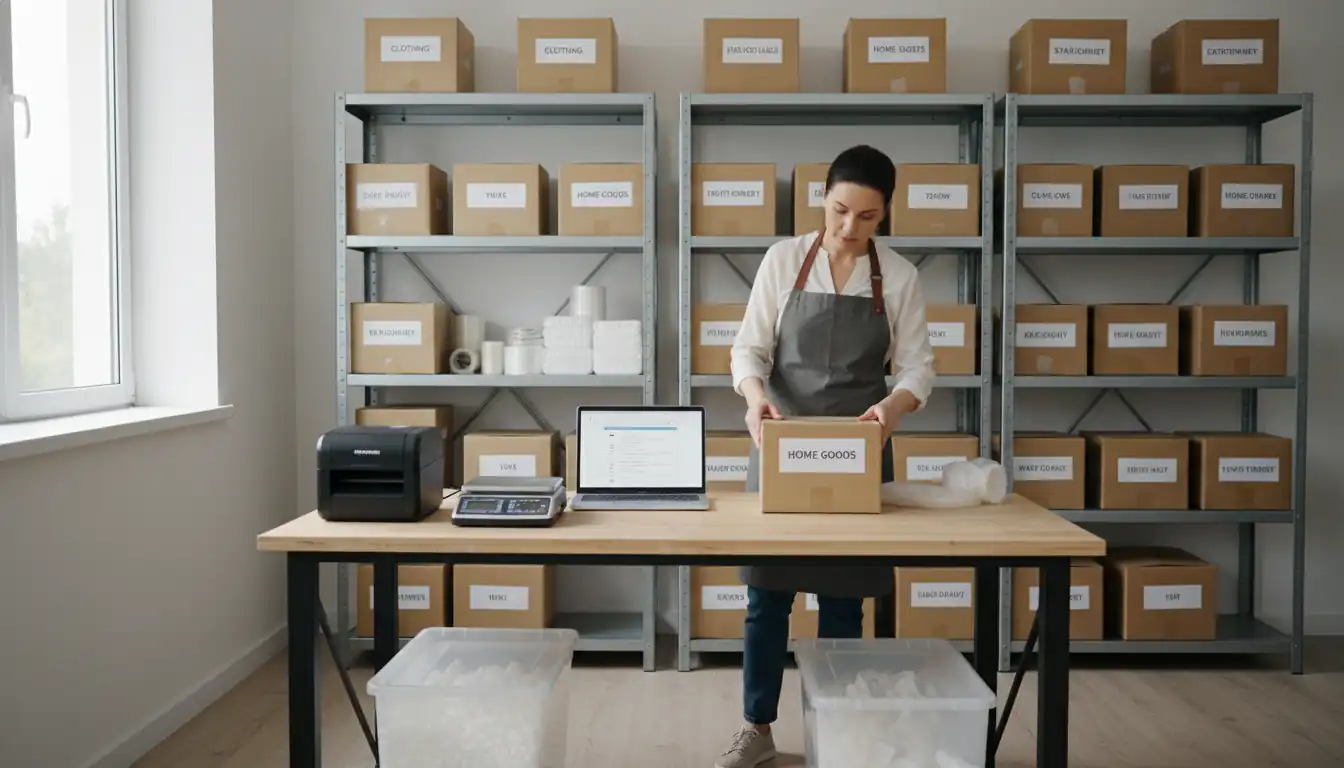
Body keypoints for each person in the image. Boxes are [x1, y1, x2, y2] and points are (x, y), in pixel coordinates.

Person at [714, 144, 936, 768]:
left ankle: (841, 732)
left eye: (866, 217)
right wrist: (755, 398)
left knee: (844, 599)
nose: (847, 229)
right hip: (780, 443)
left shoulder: (899, 276)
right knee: (767, 597)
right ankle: (757, 729)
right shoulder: (784, 260)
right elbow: (747, 351)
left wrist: (892, 410)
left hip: (857, 451)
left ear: (885, 213)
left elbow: (919, 368)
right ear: (822, 196)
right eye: (840, 210)